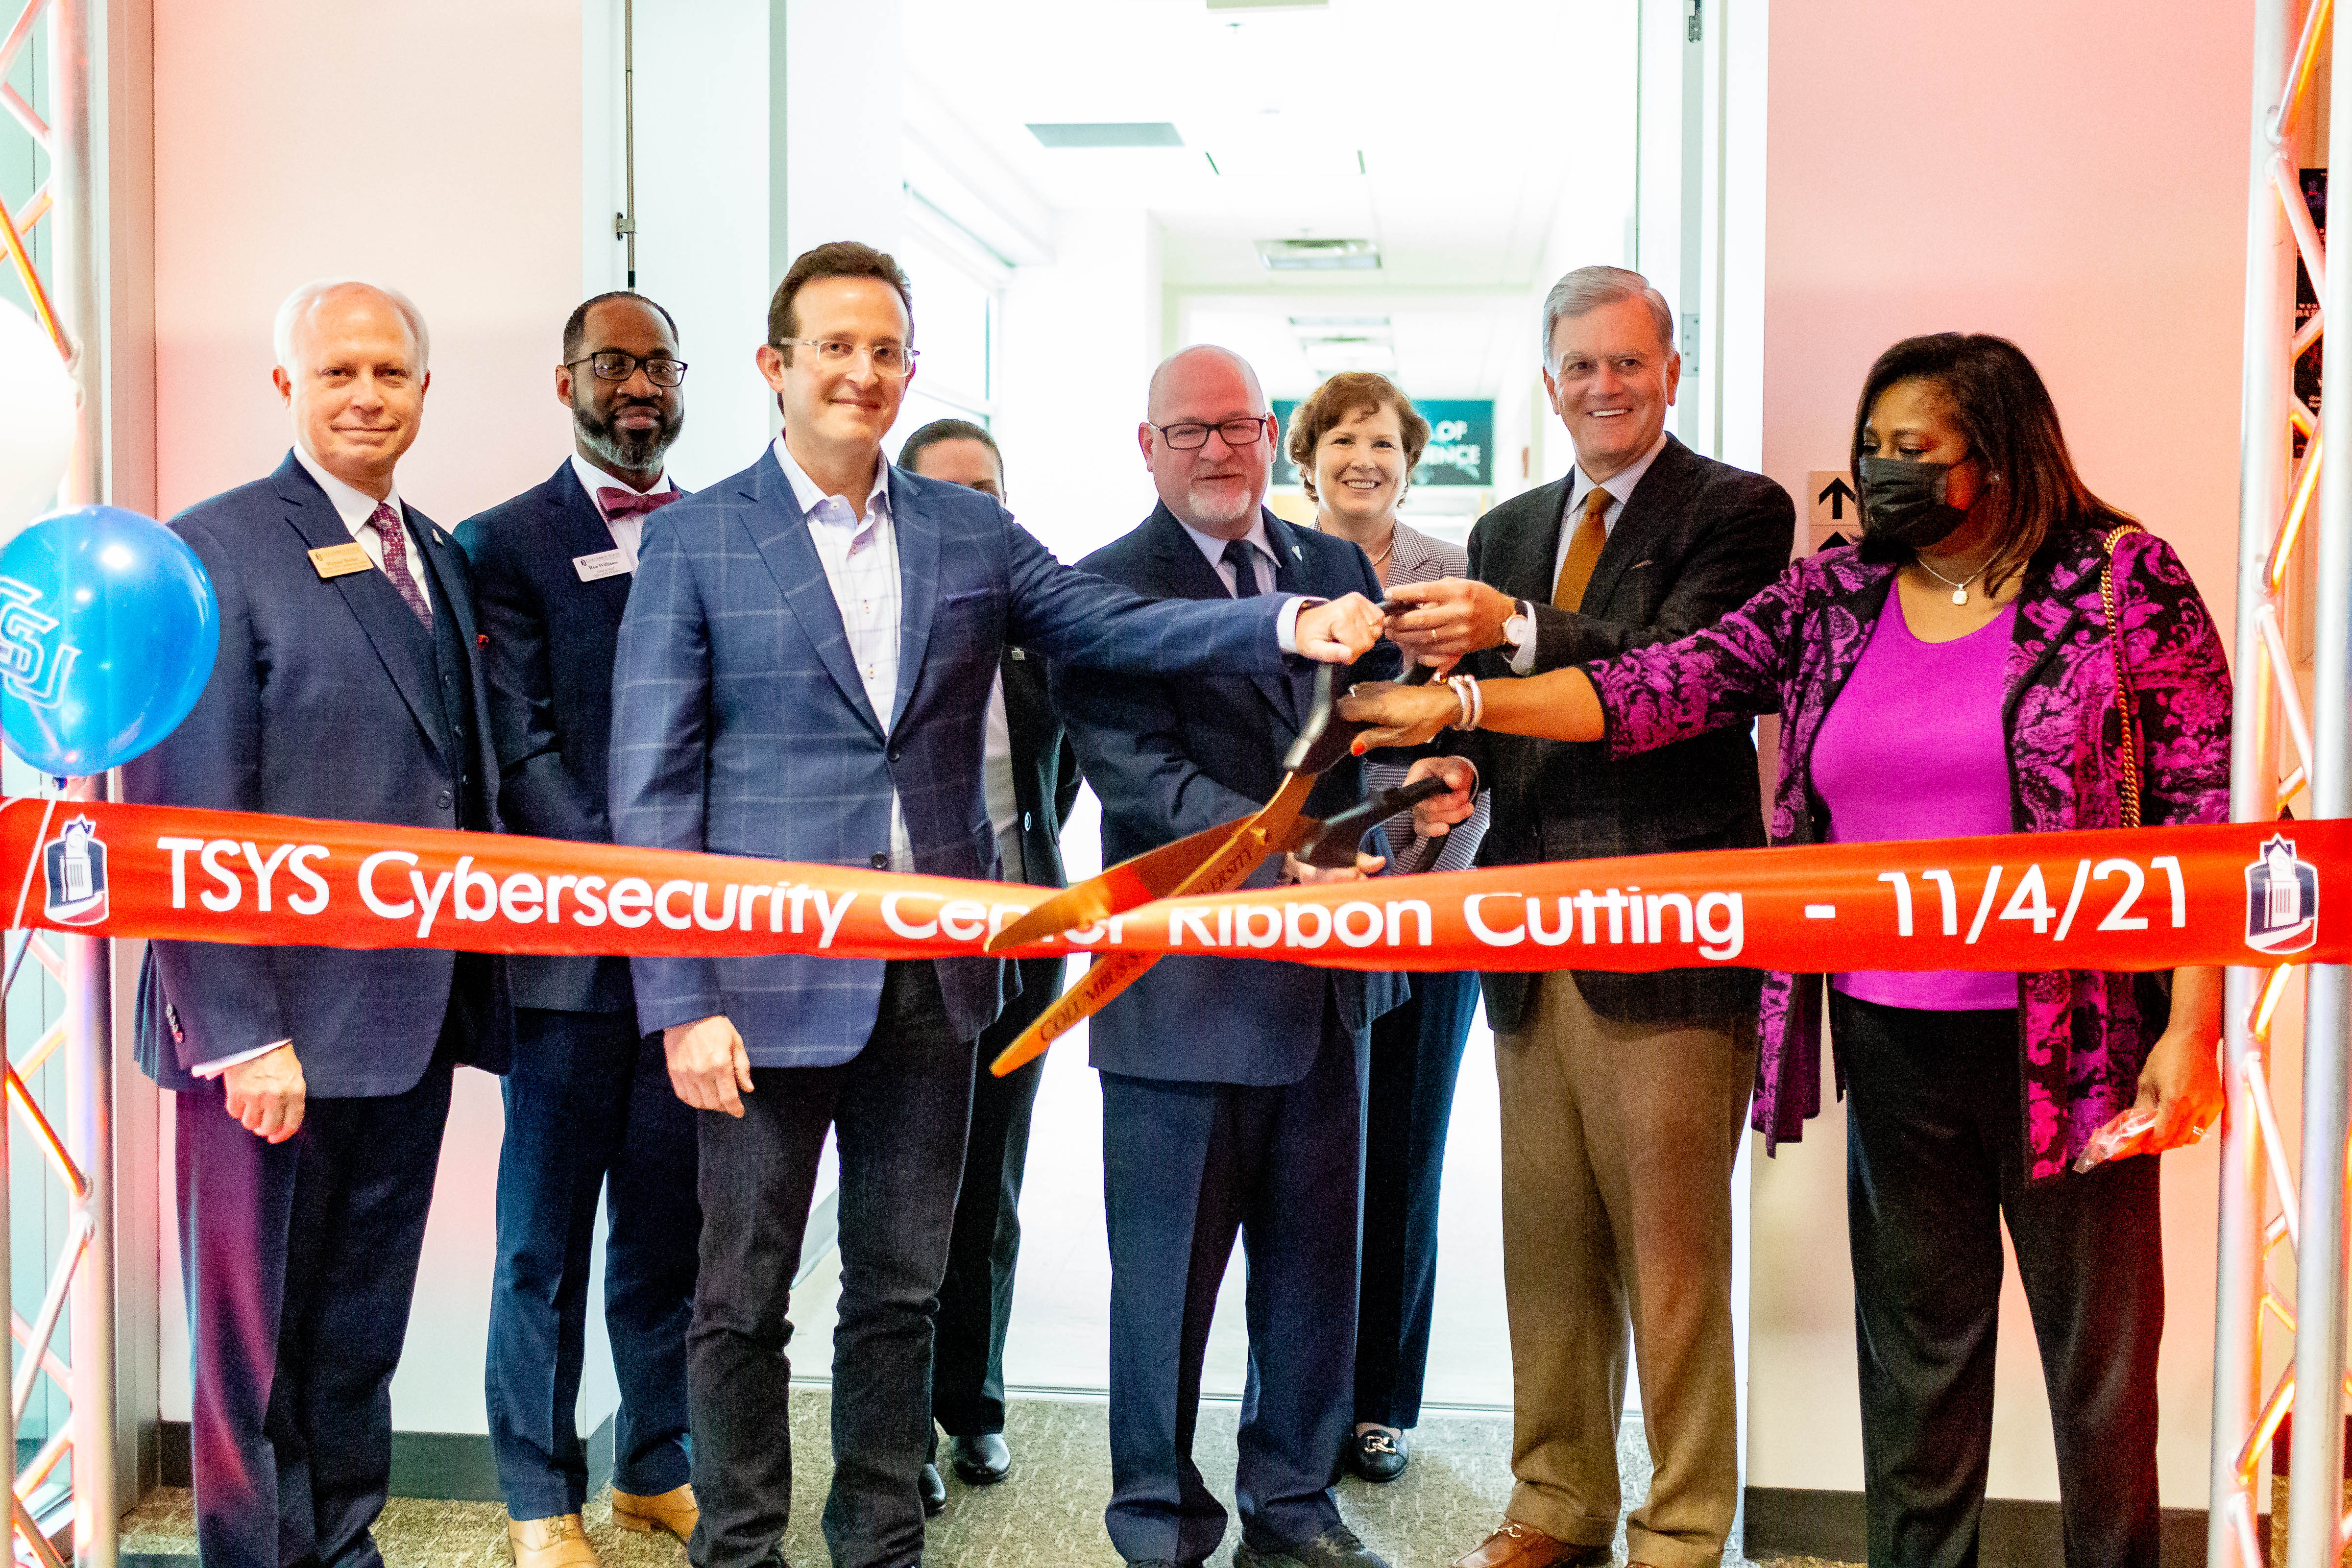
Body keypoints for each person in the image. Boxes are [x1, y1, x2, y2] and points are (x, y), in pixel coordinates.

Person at [1348, 332, 2230, 1568]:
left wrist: (2191, 1031)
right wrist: (1468, 701)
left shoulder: (2123, 581)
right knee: (1915, 1373)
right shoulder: (1837, 593)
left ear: (2000, 450)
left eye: (1912, 452)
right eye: (1871, 448)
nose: (1879, 473)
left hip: (2074, 1039)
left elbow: (2200, 820)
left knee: (2098, 1377)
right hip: (1891, 1028)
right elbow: (1659, 686)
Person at [606, 241, 1383, 1568]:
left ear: (910, 369)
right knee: (738, 1300)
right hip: (761, 986)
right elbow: (651, 783)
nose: (862, 370)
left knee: (901, 1292)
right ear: (774, 367)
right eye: (835, 346)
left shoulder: (966, 531)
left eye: (886, 348)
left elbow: (1111, 622)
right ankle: (737, 1549)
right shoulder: (694, 542)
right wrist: (681, 998)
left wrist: (1282, 625)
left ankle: (880, 1544)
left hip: (941, 980)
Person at [1377, 265, 1795, 1568]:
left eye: (1629, 362)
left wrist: (1513, 636)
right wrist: (1452, 772)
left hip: (1670, 942)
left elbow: (1678, 674)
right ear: (1546, 381)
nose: (1604, 386)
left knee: (1670, 1267)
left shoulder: (1740, 510)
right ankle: (1557, 1502)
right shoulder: (1503, 526)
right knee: (1544, 1253)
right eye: (1579, 366)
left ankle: (1679, 1527)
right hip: (1527, 946)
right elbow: (1496, 722)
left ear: (1672, 372)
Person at [121, 279, 509, 1567]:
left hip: (406, 1019)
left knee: (357, 1327)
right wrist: (239, 1033)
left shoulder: (439, 556)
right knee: (254, 1348)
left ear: (422, 393)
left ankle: (342, 1545)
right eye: (337, 371)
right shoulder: (216, 551)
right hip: (267, 1039)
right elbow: (185, 814)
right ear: (285, 386)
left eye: (390, 373)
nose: (365, 394)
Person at [1055, 344, 1402, 1568]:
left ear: (1273, 436)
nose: (1216, 449)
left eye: (1237, 426)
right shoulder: (1102, 587)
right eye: (1188, 430)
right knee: (1163, 1292)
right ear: (1144, 447)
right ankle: (1155, 1519)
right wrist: (1277, 867)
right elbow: (1137, 778)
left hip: (1324, 994)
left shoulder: (1334, 565)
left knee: (1315, 1275)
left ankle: (1293, 1504)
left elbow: (1372, 735)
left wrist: (1421, 798)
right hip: (1181, 1001)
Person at [458, 290, 702, 1568]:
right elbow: (515, 743)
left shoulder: (728, 532)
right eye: (612, 364)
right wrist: (633, 872)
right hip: (566, 966)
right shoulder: (498, 543)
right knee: (540, 1250)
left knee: (671, 1233)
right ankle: (539, 1498)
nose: (638, 386)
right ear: (567, 383)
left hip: (698, 968)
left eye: (657, 363)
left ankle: (656, 1465)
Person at [1285, 371, 1489, 1484]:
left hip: (1424, 903)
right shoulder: (1273, 567)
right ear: (1307, 456)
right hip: (1303, 907)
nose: (1365, 458)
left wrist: (1450, 769)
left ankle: (1380, 1401)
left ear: (1412, 459)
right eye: (1343, 440)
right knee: (1306, 1163)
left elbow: (1491, 728)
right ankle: (1300, 1391)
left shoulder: (1452, 576)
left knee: (1404, 1155)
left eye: (1385, 442)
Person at [895, 417, 1082, 1503]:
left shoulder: (1032, 626)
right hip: (907, 944)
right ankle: (901, 1419)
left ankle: (975, 1403)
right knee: (914, 1186)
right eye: (949, 492)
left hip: (1025, 937)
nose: (975, 511)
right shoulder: (880, 624)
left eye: (990, 491)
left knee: (992, 1186)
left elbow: (1053, 785)